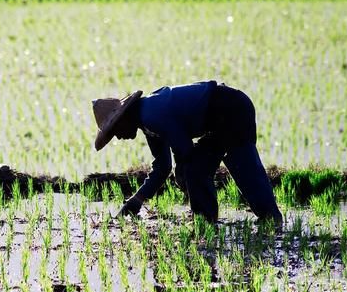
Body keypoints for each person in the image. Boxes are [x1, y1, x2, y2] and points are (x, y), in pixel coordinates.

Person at [92, 80, 282, 224]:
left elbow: (184, 150)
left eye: (115, 131)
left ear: (123, 118)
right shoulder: (147, 123)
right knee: (201, 167)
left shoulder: (152, 114)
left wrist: (182, 170)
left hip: (230, 108)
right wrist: (136, 200)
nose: (117, 137)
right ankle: (210, 222)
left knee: (226, 165)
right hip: (222, 115)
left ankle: (210, 222)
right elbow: (162, 166)